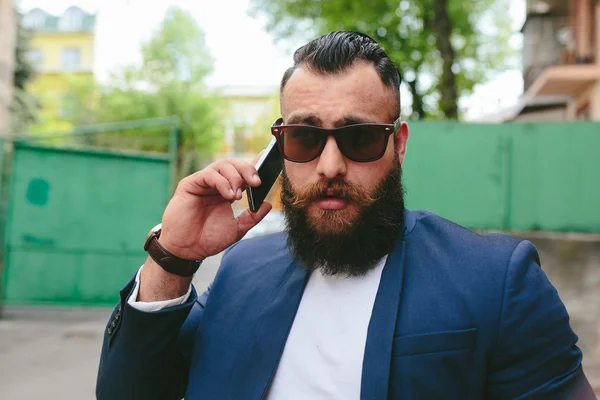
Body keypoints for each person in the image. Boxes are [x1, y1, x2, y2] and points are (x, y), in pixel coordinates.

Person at [96, 31, 596, 400]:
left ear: (397, 145)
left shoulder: (495, 280)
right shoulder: (242, 270)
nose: (329, 166)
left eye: (358, 138)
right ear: (280, 148)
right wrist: (173, 259)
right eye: (305, 138)